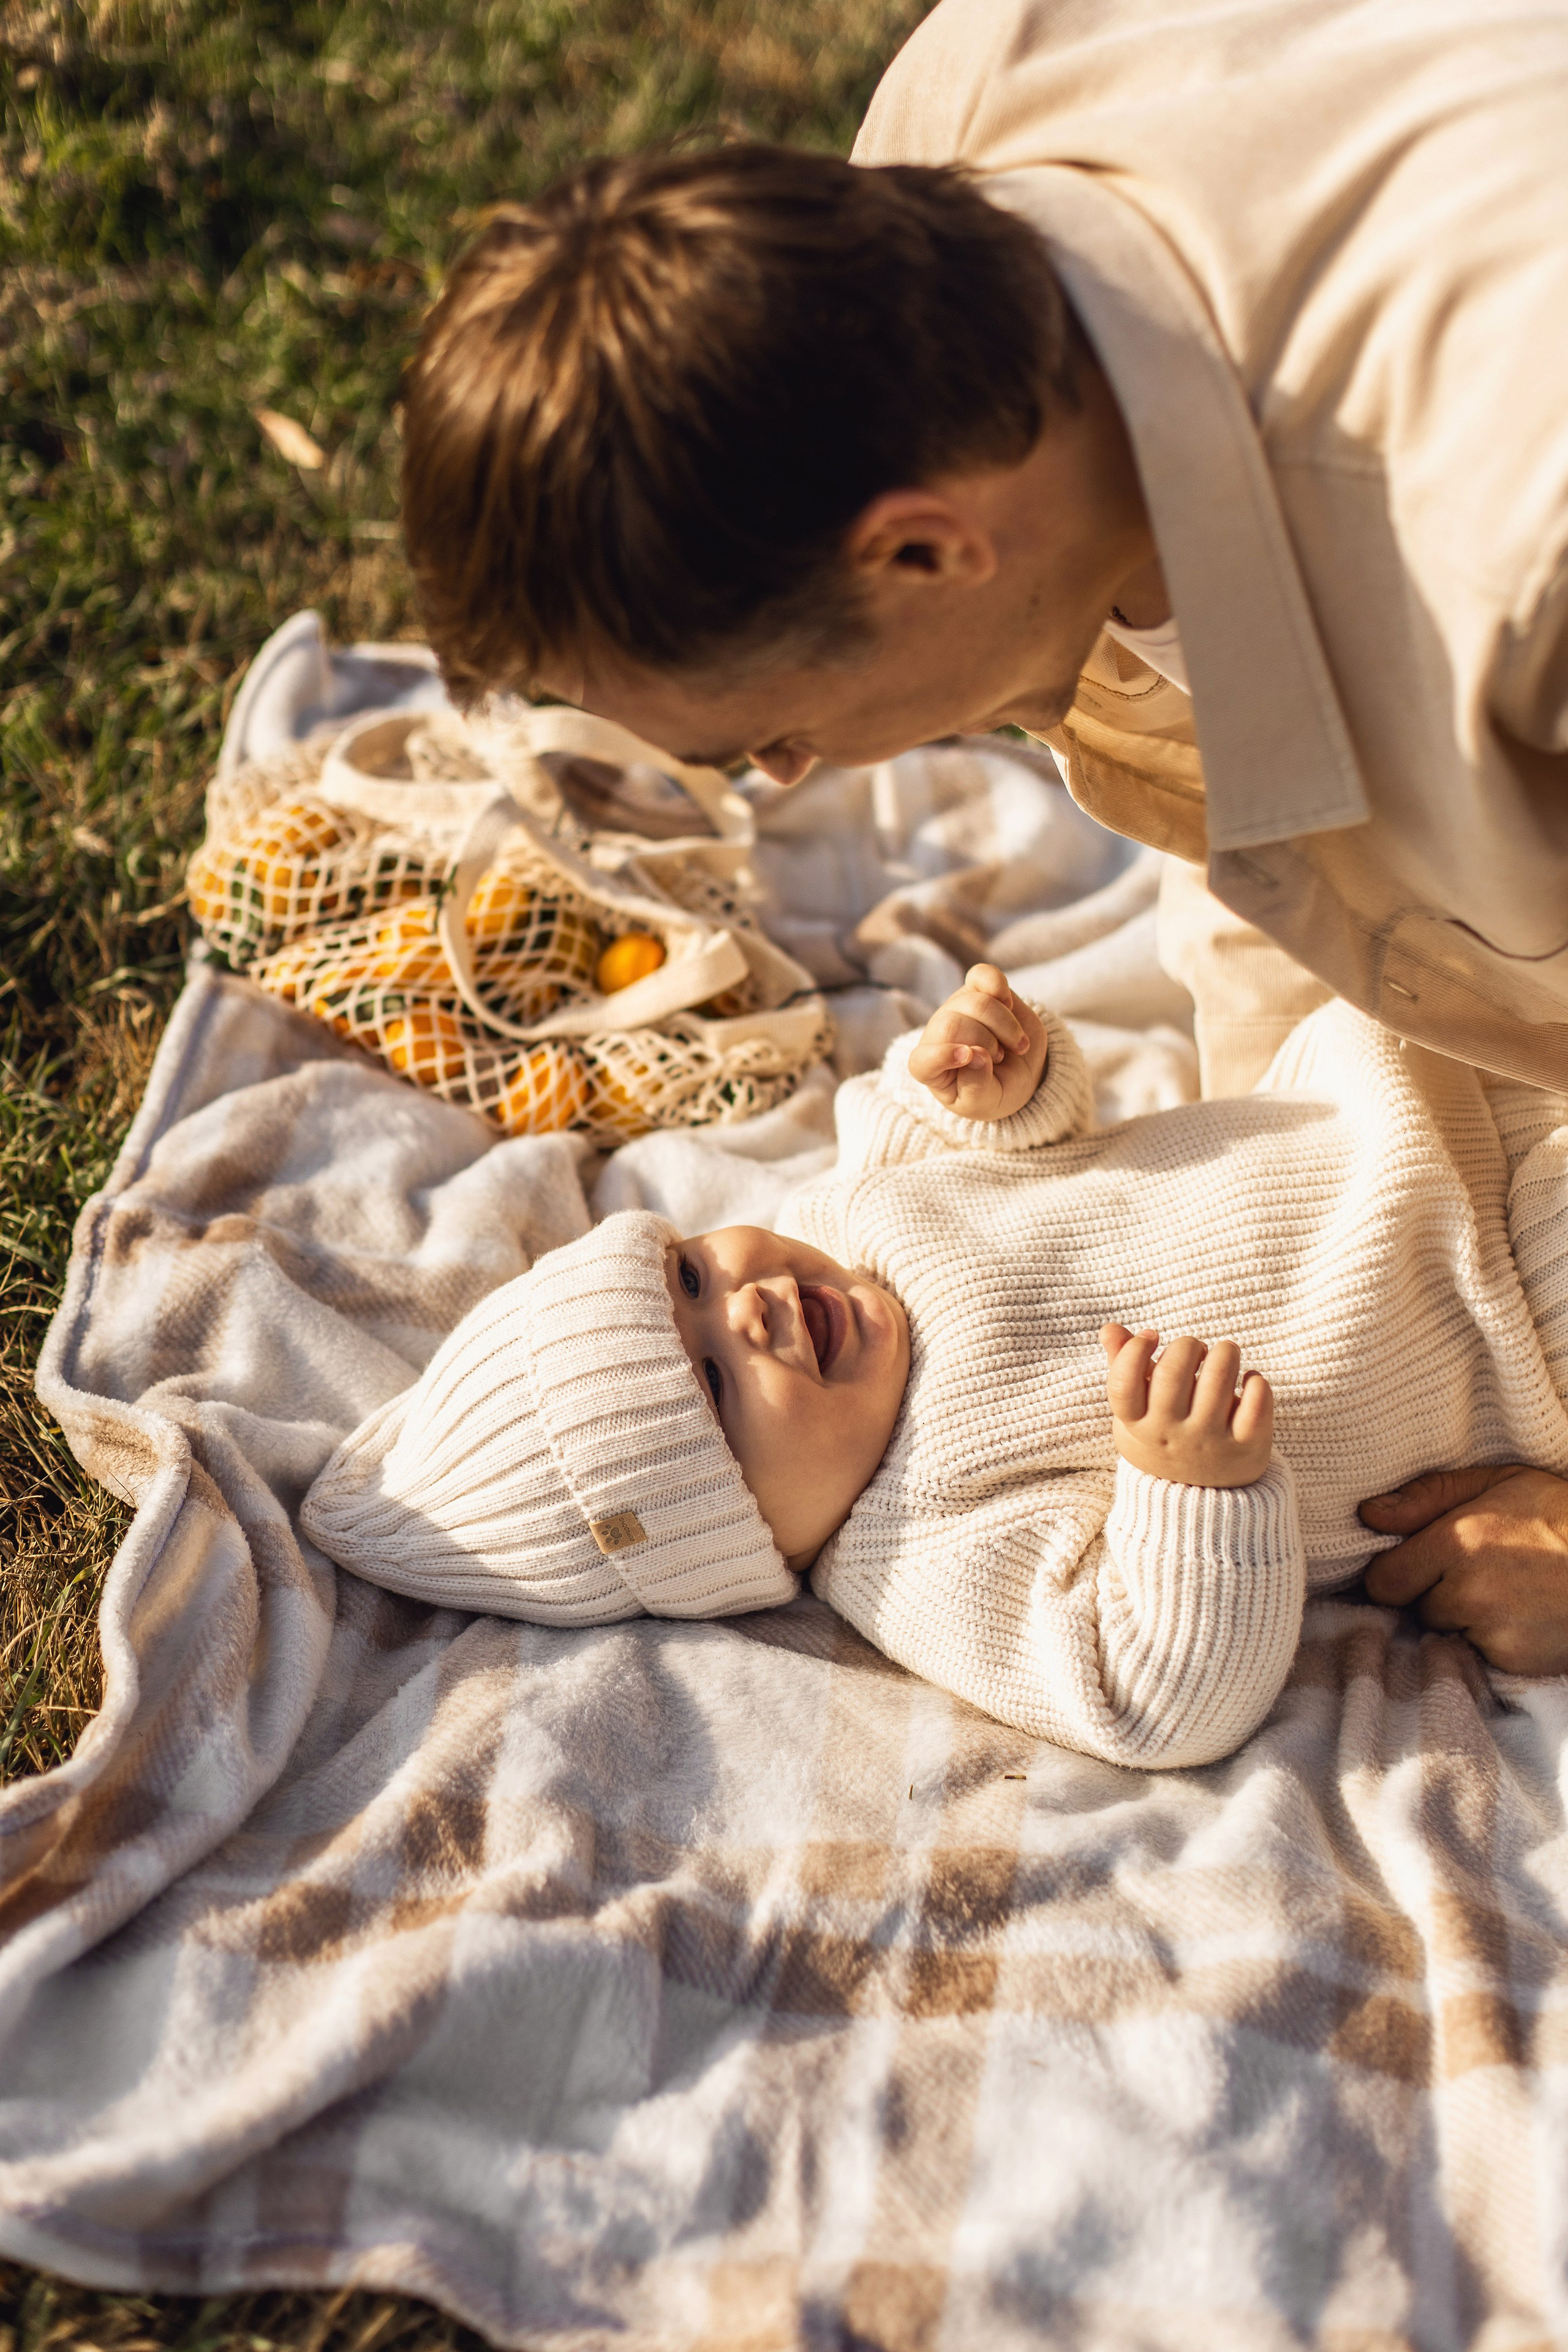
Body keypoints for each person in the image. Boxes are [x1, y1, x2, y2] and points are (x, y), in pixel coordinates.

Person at [396, 6, 1568, 1664]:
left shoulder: (1519, 562)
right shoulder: (958, 142)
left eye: (773, 736)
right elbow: (1256, 762)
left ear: (928, 552)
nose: (794, 777)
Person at [303, 968, 1568, 1766]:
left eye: (687, 1272)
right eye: (710, 1389)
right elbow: (1146, 1695)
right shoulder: (917, 1553)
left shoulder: (855, 1218)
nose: (747, 1309)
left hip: (1420, 1085)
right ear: (753, 1541)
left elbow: (967, 1133)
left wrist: (991, 1080)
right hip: (1523, 1330)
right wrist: (1191, 1496)